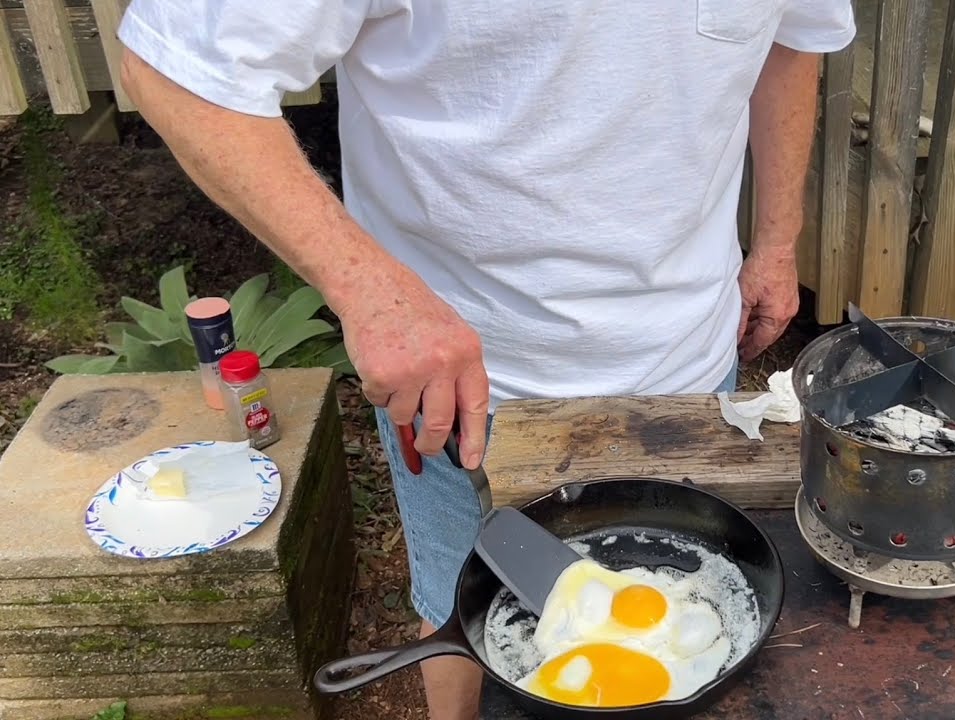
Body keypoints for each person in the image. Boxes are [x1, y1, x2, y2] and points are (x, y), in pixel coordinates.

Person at [116, 1, 854, 716]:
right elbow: (178, 70)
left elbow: (793, 38)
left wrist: (779, 240)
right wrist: (371, 292)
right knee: (456, 606)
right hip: (465, 392)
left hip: (693, 363)